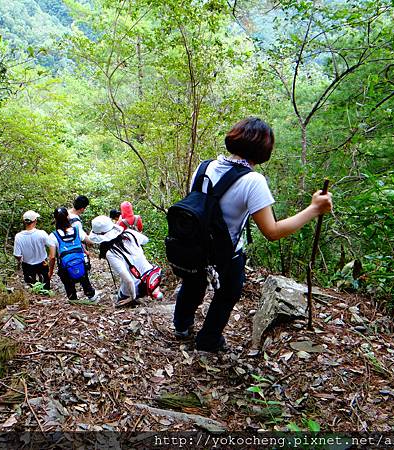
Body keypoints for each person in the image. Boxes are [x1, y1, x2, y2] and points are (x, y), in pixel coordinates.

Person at [173, 117, 333, 353]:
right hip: (225, 252)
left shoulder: (203, 166)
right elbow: (272, 231)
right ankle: (208, 340)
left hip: (194, 244)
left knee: (192, 282)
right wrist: (314, 209)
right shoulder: (253, 180)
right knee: (229, 291)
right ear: (263, 150)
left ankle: (181, 327)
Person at [89, 215, 163, 307]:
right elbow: (145, 240)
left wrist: (132, 297)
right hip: (153, 274)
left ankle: (143, 295)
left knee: (120, 300)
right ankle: (154, 291)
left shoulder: (111, 253)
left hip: (137, 285)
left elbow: (129, 280)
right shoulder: (129, 233)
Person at [48, 207, 98, 301]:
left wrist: (50, 272)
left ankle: (74, 300)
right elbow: (90, 242)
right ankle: (91, 296)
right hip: (80, 263)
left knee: (69, 286)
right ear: (68, 217)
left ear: (55, 219)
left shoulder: (53, 236)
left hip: (65, 268)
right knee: (84, 279)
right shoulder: (77, 230)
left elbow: (52, 257)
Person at [13, 210, 50, 290]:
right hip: (42, 262)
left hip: (27, 265)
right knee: (45, 286)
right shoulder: (42, 233)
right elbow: (51, 245)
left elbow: (17, 255)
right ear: (35, 221)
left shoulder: (18, 236)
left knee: (31, 286)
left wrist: (22, 260)